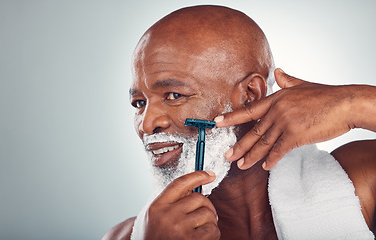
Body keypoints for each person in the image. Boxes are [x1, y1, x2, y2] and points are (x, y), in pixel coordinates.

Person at [104, 5, 376, 240]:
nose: (146, 124)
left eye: (174, 95)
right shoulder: (125, 237)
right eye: (139, 103)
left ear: (251, 95)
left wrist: (356, 103)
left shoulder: (360, 182)